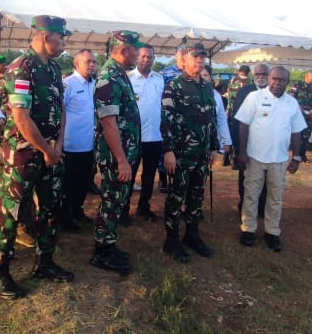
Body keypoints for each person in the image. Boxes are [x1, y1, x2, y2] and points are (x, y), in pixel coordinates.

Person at [0, 15, 74, 299]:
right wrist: (47, 150)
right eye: (62, 38)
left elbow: (61, 109)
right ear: (46, 37)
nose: (64, 43)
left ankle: (44, 262)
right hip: (24, 154)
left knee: (50, 209)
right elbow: (21, 117)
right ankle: (0, 271)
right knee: (11, 213)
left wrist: (58, 145)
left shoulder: (51, 68)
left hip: (50, 153)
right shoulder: (20, 68)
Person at [235, 66, 307, 251]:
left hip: (280, 159)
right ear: (269, 79)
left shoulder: (291, 103)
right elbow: (243, 126)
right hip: (255, 157)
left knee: (275, 197)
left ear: (287, 82)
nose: (277, 83)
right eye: (274, 79)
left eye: (282, 80)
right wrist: (241, 153)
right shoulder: (254, 98)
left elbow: (297, 132)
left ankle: (272, 232)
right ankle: (248, 229)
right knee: (251, 195)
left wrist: (296, 157)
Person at [160, 43, 221, 262]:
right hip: (181, 153)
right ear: (184, 59)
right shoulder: (174, 86)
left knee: (196, 196)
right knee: (176, 196)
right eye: (195, 57)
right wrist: (168, 151)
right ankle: (172, 240)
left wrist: (214, 146)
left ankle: (192, 234)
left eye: (202, 58)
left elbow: (211, 119)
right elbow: (166, 120)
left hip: (202, 154)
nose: (200, 61)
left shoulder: (206, 87)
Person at [91, 30, 145, 275]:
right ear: (124, 50)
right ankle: (101, 252)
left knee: (116, 200)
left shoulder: (119, 74)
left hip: (122, 153)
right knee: (111, 201)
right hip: (115, 156)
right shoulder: (110, 77)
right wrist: (122, 160)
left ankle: (109, 243)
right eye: (136, 50)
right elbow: (109, 123)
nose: (139, 54)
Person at [59, 49, 97, 231]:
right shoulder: (68, 84)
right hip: (70, 145)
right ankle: (64, 217)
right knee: (68, 183)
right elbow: (59, 114)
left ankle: (77, 210)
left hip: (88, 145)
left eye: (94, 62)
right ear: (76, 63)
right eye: (88, 61)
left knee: (83, 182)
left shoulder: (95, 84)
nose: (92, 65)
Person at [127, 44, 164, 223]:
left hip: (155, 137)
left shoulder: (160, 79)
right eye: (142, 56)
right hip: (134, 137)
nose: (146, 60)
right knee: (129, 175)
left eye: (149, 57)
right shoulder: (128, 79)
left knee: (149, 175)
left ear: (153, 59)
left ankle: (144, 207)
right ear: (137, 58)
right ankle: (123, 209)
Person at [231, 63, 269, 217]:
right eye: (258, 74)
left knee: (266, 178)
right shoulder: (245, 91)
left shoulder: (274, 93)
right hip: (247, 144)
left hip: (267, 146)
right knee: (246, 178)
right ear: (254, 75)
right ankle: (244, 206)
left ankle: (262, 207)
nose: (260, 77)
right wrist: (238, 146)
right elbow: (237, 119)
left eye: (264, 74)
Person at [292, 70, 312, 162]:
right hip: (298, 114)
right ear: (306, 76)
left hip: (309, 115)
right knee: (297, 134)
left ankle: (303, 155)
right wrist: (298, 106)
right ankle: (295, 155)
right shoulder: (297, 84)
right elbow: (291, 96)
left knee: (306, 135)